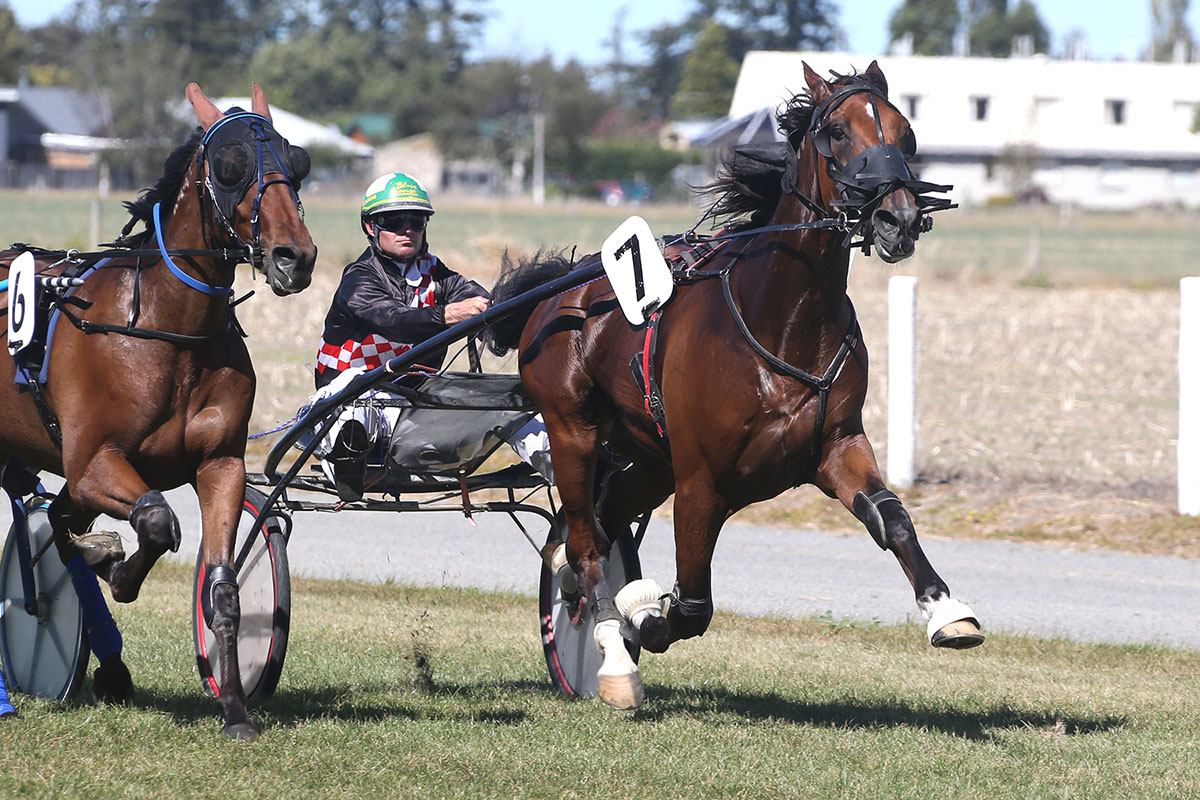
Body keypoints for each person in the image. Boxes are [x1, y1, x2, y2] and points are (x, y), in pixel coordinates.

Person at [313, 172, 550, 500]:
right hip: (350, 402)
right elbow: (395, 321)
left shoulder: (438, 274)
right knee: (354, 390)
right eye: (393, 221)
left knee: (509, 403)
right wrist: (450, 314)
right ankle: (349, 460)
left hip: (417, 407)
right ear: (370, 227)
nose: (407, 229)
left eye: (416, 220)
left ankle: (574, 471)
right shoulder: (359, 278)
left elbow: (486, 307)